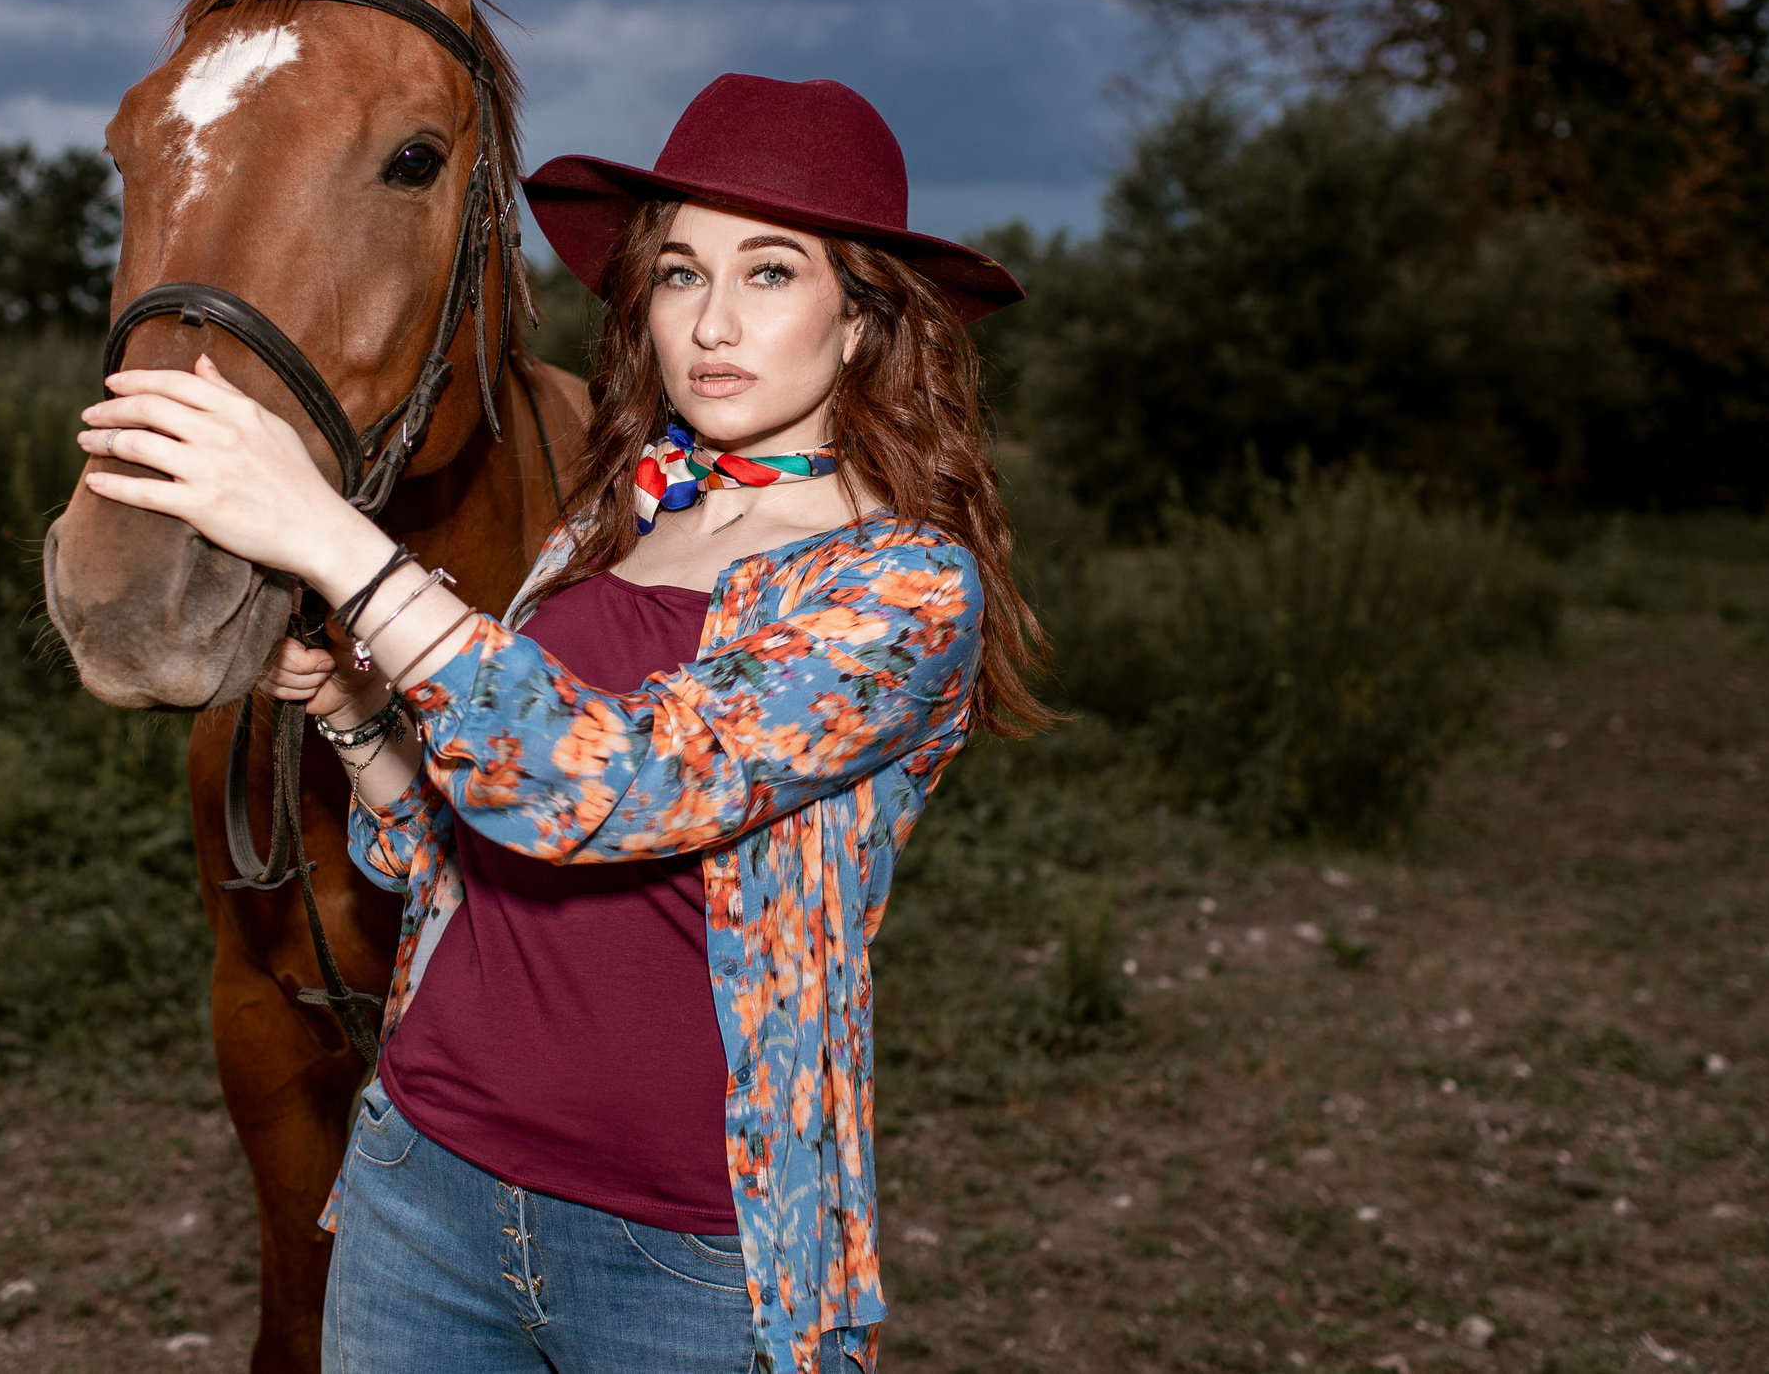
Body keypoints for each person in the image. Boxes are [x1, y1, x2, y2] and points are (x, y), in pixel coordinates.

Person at [79, 73, 1051, 1374]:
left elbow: (615, 791)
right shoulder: (612, 521)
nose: (711, 322)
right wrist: (363, 721)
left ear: (865, 320)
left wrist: (330, 536)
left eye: (769, 274)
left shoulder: (903, 588)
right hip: (424, 1186)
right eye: (680, 274)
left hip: (688, 1254)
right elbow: (454, 855)